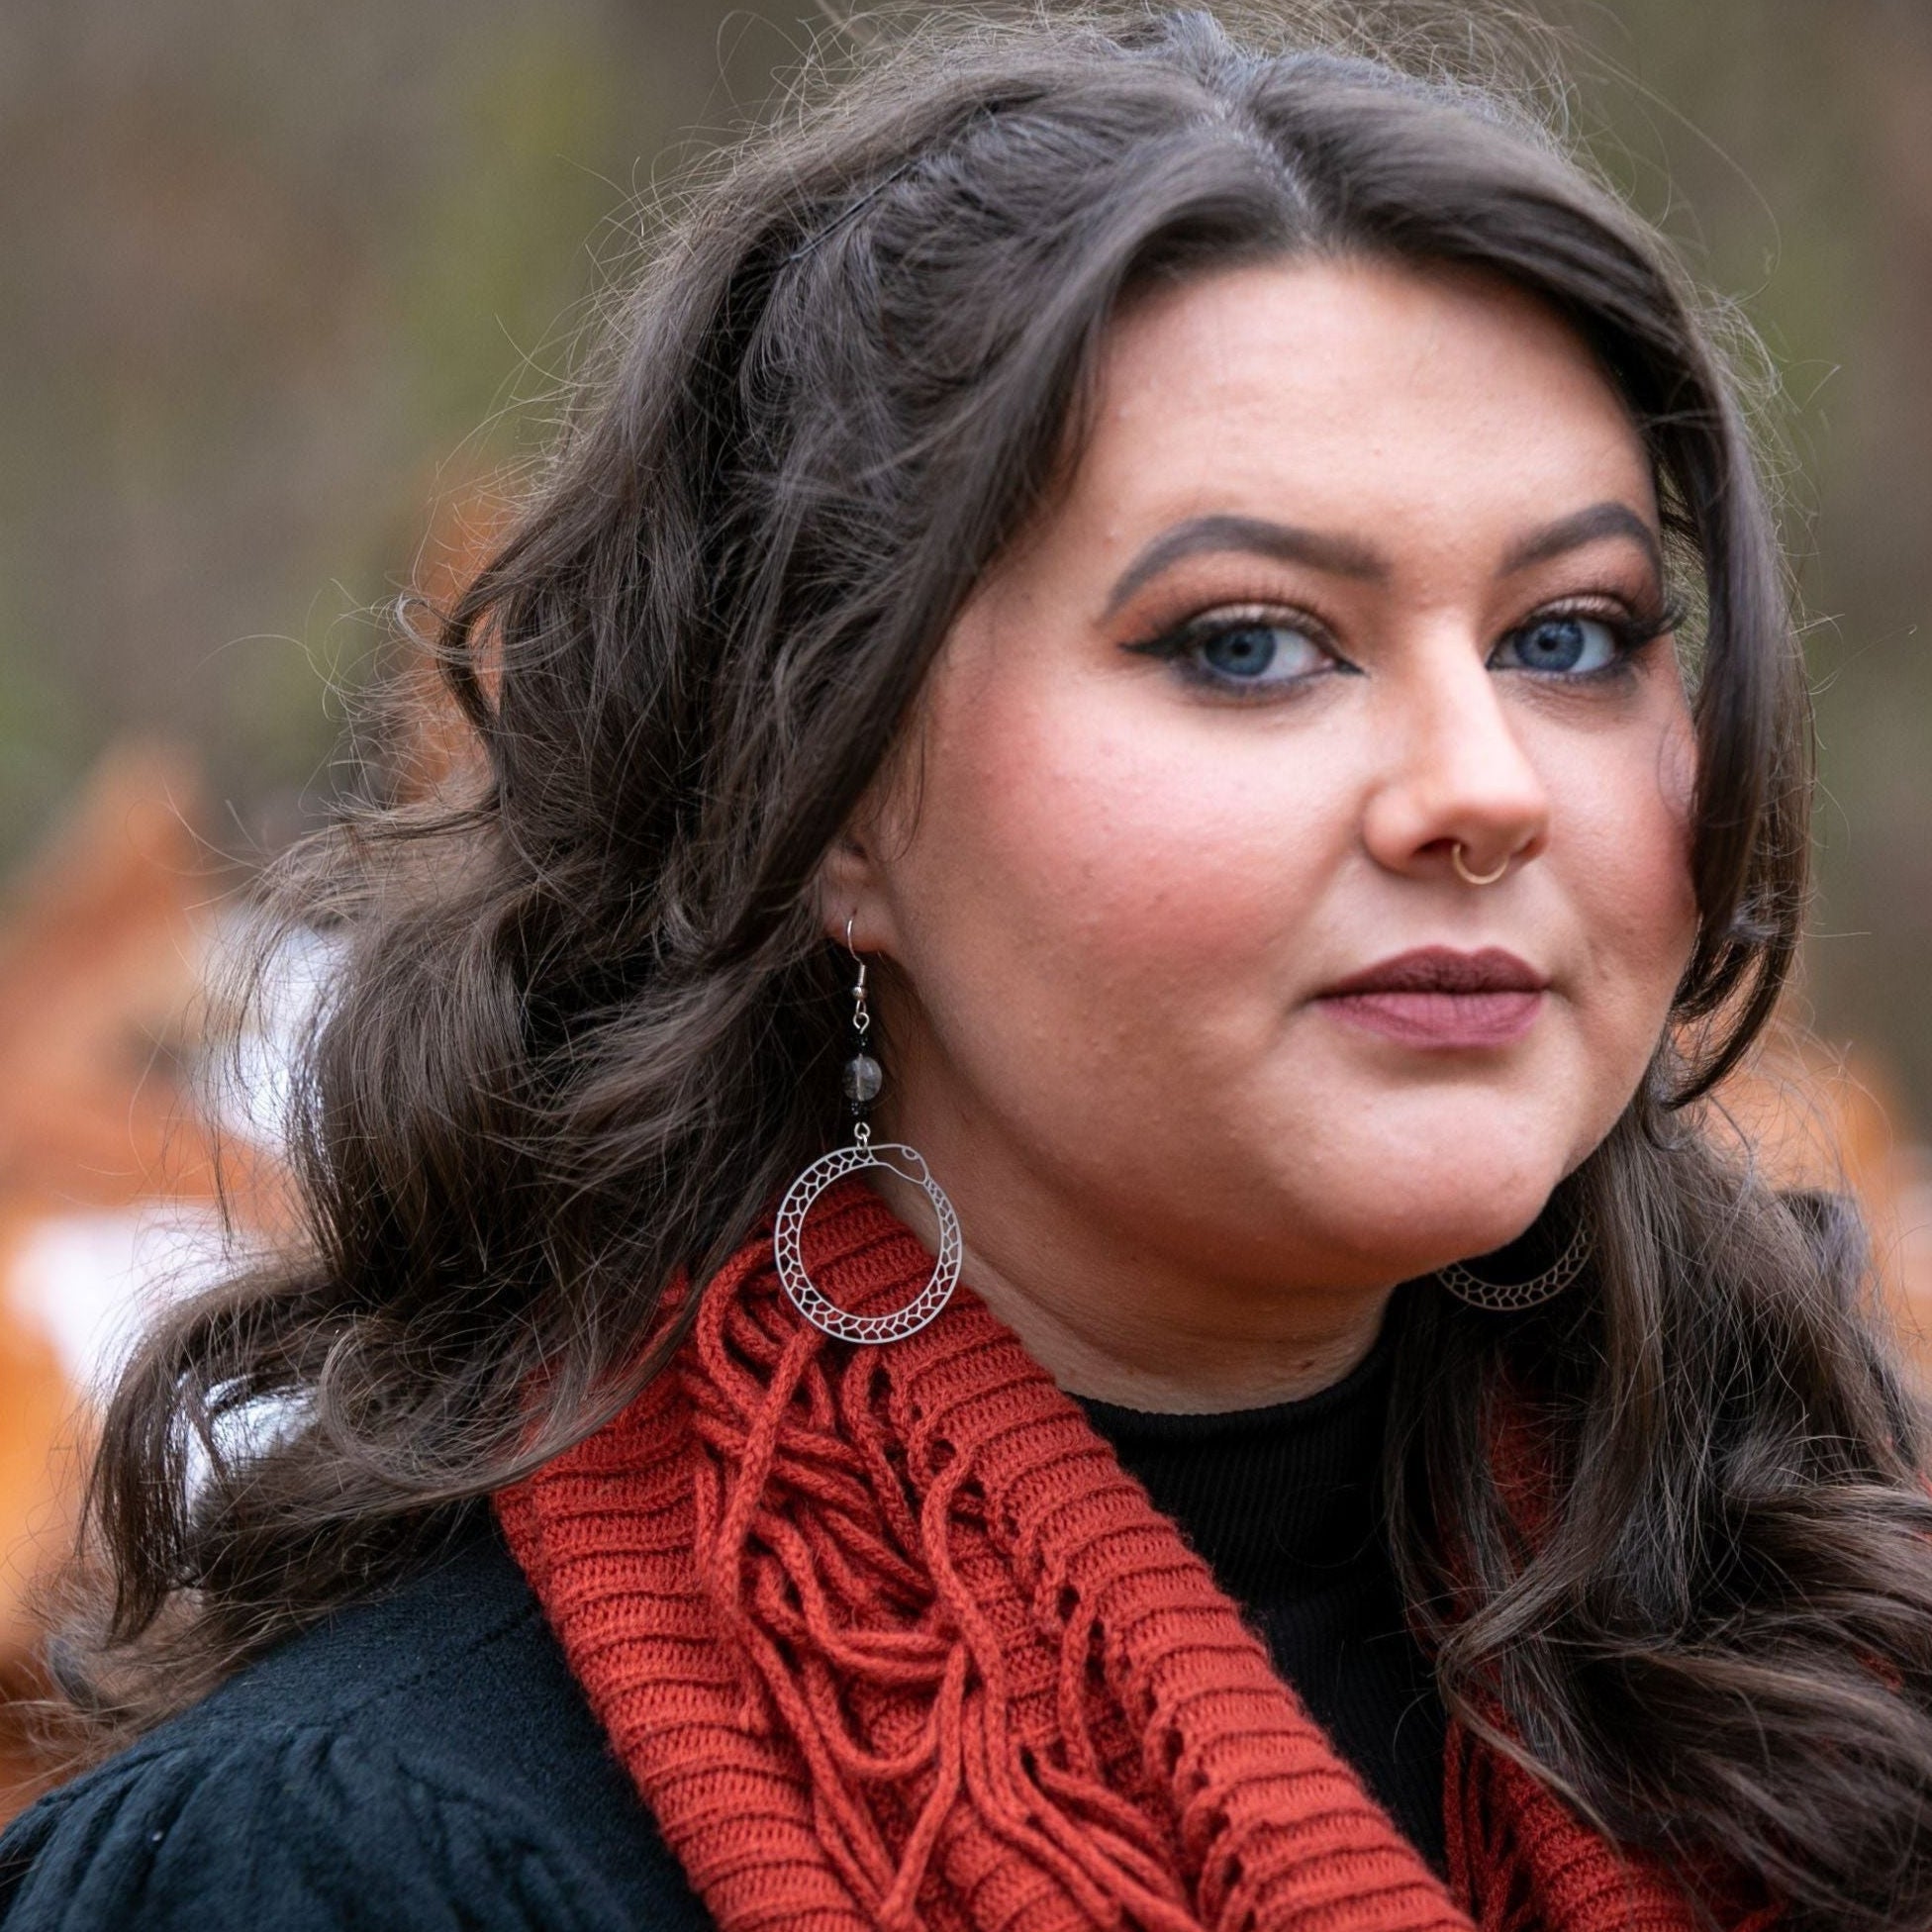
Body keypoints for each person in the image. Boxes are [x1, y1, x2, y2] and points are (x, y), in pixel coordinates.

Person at [4, 8, 1930, 1929]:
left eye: (1574, 634)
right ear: (828, 790)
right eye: (1249, 643)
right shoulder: (356, 1861)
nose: (1482, 788)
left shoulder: (1829, 1694)